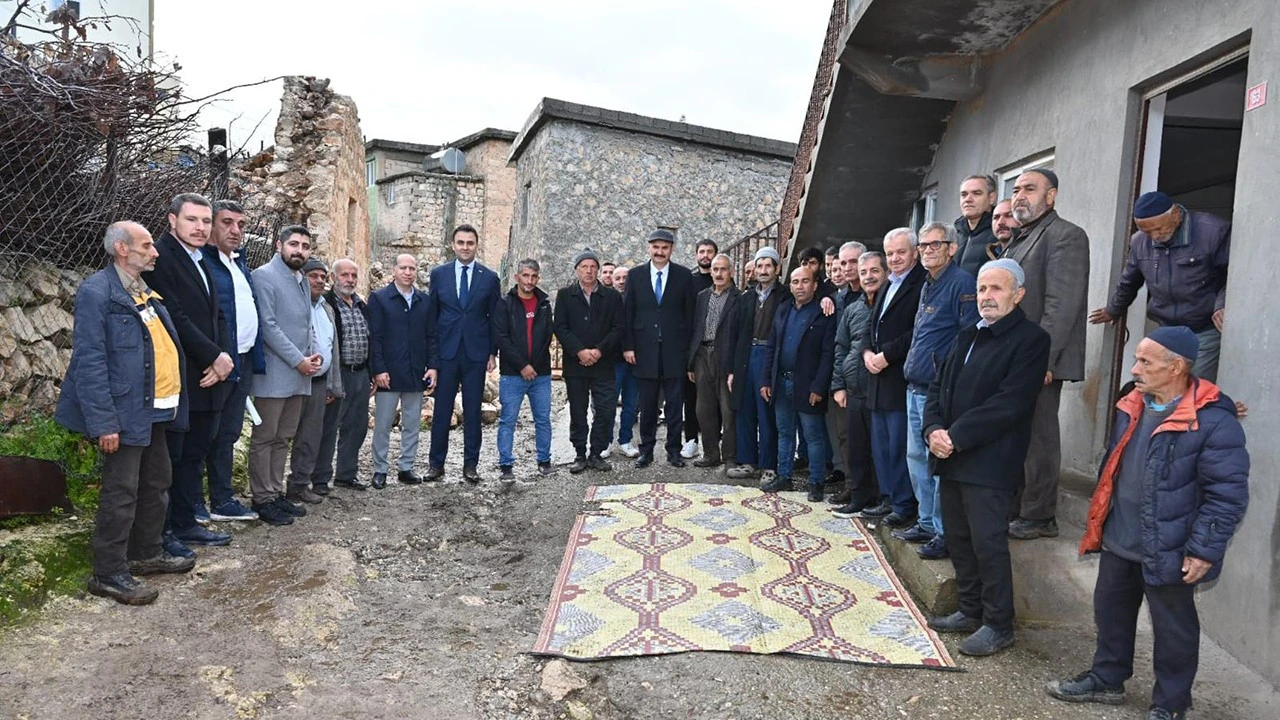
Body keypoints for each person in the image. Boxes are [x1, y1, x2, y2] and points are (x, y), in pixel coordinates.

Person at [1046, 326, 1248, 720]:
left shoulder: (1212, 421)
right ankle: (1107, 678)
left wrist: (1204, 549)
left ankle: (1170, 704)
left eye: (1145, 361)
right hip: (1122, 535)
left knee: (1173, 628)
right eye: (1137, 359)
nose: (1135, 369)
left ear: (1176, 367)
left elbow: (1228, 494)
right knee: (1111, 610)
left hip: (1171, 543)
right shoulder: (1133, 404)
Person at [57, 222, 194, 604]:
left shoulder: (144, 291)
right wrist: (104, 422)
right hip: (123, 412)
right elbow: (90, 360)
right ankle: (108, 572)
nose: (155, 252)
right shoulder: (97, 292)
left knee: (156, 482)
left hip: (153, 409)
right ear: (122, 249)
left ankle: (145, 553)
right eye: (147, 245)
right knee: (121, 491)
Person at [923, 259, 1050, 657]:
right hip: (952, 455)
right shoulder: (966, 336)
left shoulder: (1031, 341)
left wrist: (955, 436)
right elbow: (937, 388)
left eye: (996, 289)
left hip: (990, 462)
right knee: (959, 539)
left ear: (1018, 294)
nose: (987, 297)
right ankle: (970, 609)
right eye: (981, 289)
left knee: (988, 543)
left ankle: (998, 623)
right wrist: (932, 430)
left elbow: (1009, 403)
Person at [142, 193, 234, 554]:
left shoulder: (200, 259)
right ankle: (164, 532)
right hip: (186, 373)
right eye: (192, 220)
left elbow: (218, 314)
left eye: (205, 221)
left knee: (196, 453)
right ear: (172, 220)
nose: (200, 228)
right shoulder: (163, 259)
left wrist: (224, 357)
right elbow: (174, 317)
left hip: (211, 373)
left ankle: (185, 522)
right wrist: (213, 356)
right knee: (174, 458)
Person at [1003, 169, 1091, 540]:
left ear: (1051, 196)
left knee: (1038, 437)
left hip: (1039, 360)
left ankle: (1040, 515)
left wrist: (1044, 360)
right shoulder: (1017, 240)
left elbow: (1061, 305)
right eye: (1017, 189)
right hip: (1013, 357)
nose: (1020, 195)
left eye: (1030, 189)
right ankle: (1020, 506)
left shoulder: (1066, 236)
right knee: (1015, 437)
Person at [1089, 190, 1231, 381]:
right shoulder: (1140, 241)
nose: (1154, 236)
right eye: (1146, 231)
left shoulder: (1213, 231)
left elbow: (1231, 276)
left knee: (1194, 388)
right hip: (1167, 329)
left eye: (1157, 229)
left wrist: (1221, 305)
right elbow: (1129, 280)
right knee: (1148, 382)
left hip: (1204, 328)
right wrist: (1114, 309)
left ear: (1176, 215)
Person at [900, 222, 980, 560]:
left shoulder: (961, 284)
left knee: (936, 464)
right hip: (915, 385)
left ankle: (943, 531)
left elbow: (967, 339)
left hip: (938, 390)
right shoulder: (927, 284)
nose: (928, 250)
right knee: (917, 459)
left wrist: (947, 382)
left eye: (936, 244)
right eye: (923, 245)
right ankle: (926, 522)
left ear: (952, 247)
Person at [248, 225, 318, 525]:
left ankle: (275, 494)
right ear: (279, 246)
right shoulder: (264, 276)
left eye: (304, 245)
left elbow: (305, 323)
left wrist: (314, 355)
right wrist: (298, 360)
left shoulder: (302, 280)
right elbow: (268, 326)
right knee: (265, 437)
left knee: (283, 438)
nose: (299, 250)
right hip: (275, 373)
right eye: (293, 244)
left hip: (299, 375)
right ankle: (262, 498)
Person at [200, 199, 263, 522]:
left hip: (243, 360)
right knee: (205, 433)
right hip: (215, 361)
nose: (235, 230)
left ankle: (223, 500)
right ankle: (196, 503)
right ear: (210, 225)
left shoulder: (239, 264)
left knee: (229, 432)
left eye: (240, 224)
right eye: (227, 223)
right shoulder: (204, 264)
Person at [863, 227, 928, 528]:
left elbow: (914, 331)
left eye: (901, 252)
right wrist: (866, 352)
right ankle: (888, 496)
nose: (895, 258)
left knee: (901, 445)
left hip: (898, 375)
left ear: (914, 252)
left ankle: (903, 503)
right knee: (882, 445)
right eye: (890, 253)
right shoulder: (889, 284)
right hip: (876, 376)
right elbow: (871, 325)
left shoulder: (920, 285)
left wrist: (886, 355)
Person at [426, 225, 501, 483]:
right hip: (446, 353)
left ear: (476, 246)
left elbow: (495, 319)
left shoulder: (489, 278)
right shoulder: (439, 275)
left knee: (472, 411)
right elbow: (432, 319)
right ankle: (436, 464)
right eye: (461, 242)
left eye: (470, 243)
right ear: (453, 244)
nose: (465, 247)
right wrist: (432, 360)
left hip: (475, 354)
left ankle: (471, 465)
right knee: (442, 411)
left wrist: (492, 352)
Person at [760, 266, 836, 502]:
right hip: (781, 382)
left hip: (808, 385)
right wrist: (766, 379)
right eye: (795, 282)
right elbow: (771, 347)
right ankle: (784, 476)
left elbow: (828, 354)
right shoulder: (783, 310)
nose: (800, 286)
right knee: (784, 432)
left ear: (814, 285)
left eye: (805, 281)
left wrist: (819, 386)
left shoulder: (824, 313)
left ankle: (816, 482)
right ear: (790, 286)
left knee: (813, 436)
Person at [623, 229, 696, 468]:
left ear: (671, 249)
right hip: (645, 352)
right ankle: (647, 451)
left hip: (675, 353)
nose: (660, 251)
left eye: (665, 247)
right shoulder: (635, 276)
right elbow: (628, 314)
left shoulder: (684, 276)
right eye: (656, 247)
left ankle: (674, 451)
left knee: (675, 407)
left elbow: (690, 317)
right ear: (649, 248)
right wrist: (629, 347)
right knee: (648, 407)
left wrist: (688, 353)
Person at [831, 250, 888, 519]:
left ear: (885, 273)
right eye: (863, 272)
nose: (868, 277)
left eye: (873, 271)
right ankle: (858, 496)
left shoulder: (891, 303)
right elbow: (841, 348)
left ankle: (881, 498)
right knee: (855, 447)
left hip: (882, 388)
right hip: (853, 389)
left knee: (880, 448)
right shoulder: (853, 309)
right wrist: (838, 385)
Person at [556, 250, 623, 473]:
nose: (589, 270)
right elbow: (561, 327)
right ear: (577, 269)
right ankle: (579, 453)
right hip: (576, 365)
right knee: (578, 410)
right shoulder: (566, 295)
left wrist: (599, 351)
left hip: (603, 365)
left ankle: (596, 452)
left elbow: (618, 328)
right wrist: (580, 351)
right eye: (584, 266)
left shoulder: (611, 297)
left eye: (593, 266)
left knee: (605, 410)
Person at [367, 253, 430, 489]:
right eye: (403, 267)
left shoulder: (425, 301)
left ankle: (406, 467)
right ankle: (380, 469)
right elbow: (375, 337)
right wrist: (379, 369)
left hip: (415, 373)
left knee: (412, 423)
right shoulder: (380, 299)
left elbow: (431, 336)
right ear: (394, 271)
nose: (407, 272)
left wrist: (432, 367)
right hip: (389, 374)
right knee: (383, 423)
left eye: (412, 268)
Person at [726, 247, 787, 484]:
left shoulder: (785, 296)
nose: (763, 271)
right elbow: (736, 335)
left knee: (767, 413)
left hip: (769, 356)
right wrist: (732, 369)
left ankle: (769, 465)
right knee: (745, 411)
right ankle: (748, 462)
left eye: (768, 266)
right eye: (759, 266)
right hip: (746, 356)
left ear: (776, 269)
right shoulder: (746, 297)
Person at [286, 258, 344, 504]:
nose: (320, 281)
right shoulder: (295, 305)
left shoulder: (326, 309)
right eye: (314, 276)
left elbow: (333, 348)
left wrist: (333, 383)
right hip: (295, 379)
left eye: (323, 277)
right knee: (284, 434)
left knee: (311, 436)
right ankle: (269, 489)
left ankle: (299, 484)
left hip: (319, 383)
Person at [494, 259, 555, 480]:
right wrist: (522, 366)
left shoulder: (544, 303)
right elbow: (501, 337)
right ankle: (506, 465)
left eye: (534, 276)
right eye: (526, 276)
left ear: (538, 278)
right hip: (512, 374)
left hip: (541, 374)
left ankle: (544, 461)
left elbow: (547, 336)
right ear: (517, 277)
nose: (529, 281)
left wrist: (533, 367)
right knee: (508, 420)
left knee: (543, 419)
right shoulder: (504, 304)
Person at [317, 258, 372, 491]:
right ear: (333, 278)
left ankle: (346, 475)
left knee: (357, 426)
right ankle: (319, 478)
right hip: (337, 373)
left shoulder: (362, 305)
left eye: (353, 275)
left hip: (360, 373)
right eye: (344, 275)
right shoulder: (325, 304)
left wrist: (371, 372)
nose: (350, 280)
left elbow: (371, 340)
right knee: (328, 427)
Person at [686, 253, 740, 468]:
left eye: (723, 269)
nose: (718, 273)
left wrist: (736, 367)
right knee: (703, 409)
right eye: (715, 269)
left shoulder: (740, 298)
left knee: (728, 411)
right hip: (702, 356)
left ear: (731, 272)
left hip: (726, 358)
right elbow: (696, 329)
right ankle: (710, 454)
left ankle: (730, 457)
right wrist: (691, 362)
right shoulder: (702, 296)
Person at [681, 238, 718, 459]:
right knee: (691, 398)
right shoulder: (690, 282)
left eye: (709, 251)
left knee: (716, 398)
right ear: (696, 255)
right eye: (702, 251)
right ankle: (691, 439)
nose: (705, 255)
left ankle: (714, 441)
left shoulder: (722, 282)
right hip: (694, 350)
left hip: (716, 349)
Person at [823, 243, 852, 487]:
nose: (838, 271)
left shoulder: (862, 296)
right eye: (833, 268)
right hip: (833, 369)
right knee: (834, 426)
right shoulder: (831, 299)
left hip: (855, 371)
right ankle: (839, 468)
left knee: (849, 430)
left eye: (842, 266)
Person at [609, 264, 640, 458]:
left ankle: (625, 440)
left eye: (625, 277)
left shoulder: (640, 301)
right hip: (613, 362)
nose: (622, 281)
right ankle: (605, 442)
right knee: (608, 404)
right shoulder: (607, 301)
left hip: (636, 362)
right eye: (618, 278)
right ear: (612, 281)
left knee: (630, 405)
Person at [952, 174, 998, 276]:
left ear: (992, 198)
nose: (968, 199)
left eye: (976, 193)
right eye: (964, 194)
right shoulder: (954, 233)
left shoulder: (1000, 232)